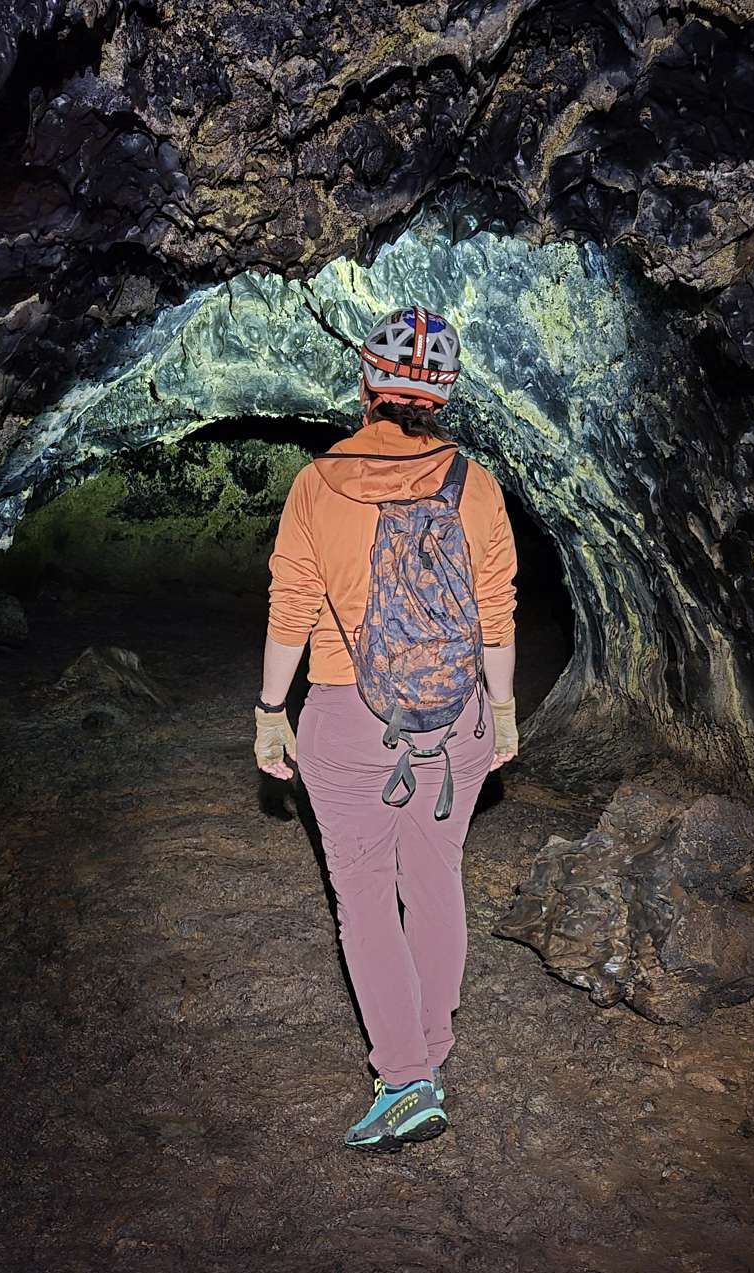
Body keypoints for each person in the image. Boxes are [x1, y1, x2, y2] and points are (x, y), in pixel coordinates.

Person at [254, 305, 518, 1152]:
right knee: (435, 880)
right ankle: (429, 1053)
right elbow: (497, 613)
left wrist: (270, 712)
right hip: (455, 719)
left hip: (348, 718)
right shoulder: (476, 485)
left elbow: (292, 609)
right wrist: (502, 710)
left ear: (369, 383)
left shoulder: (316, 485)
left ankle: (405, 1079)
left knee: (365, 894)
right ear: (443, 395)